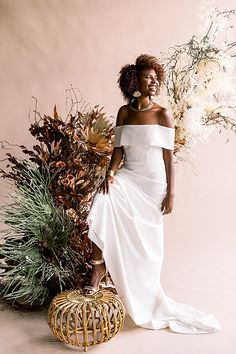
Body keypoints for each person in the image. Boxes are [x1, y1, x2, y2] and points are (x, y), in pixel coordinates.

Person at [85, 54, 221, 334]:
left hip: (153, 183)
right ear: (135, 81)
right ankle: (98, 267)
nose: (154, 81)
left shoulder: (163, 114)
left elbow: (169, 158)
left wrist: (171, 193)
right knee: (102, 201)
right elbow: (118, 151)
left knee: (147, 246)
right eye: (148, 77)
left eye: (156, 77)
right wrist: (109, 175)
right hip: (128, 175)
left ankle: (142, 290)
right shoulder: (124, 112)